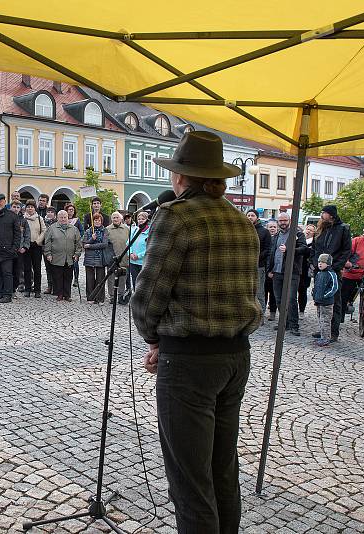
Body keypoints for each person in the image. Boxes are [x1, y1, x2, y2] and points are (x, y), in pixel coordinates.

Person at [132, 131, 260, 533]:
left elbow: (148, 294)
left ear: (183, 178)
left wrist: (155, 339)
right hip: (235, 358)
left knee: (190, 481)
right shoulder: (241, 221)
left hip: (189, 365)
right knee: (222, 468)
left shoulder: (176, 216)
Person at [311, 205, 352, 342]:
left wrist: (335, 266)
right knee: (319, 299)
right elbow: (315, 247)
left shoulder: (342, 229)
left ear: (331, 215)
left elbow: (346, 250)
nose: (322, 215)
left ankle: (333, 332)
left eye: (324, 213)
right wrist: (314, 262)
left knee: (334, 301)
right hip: (319, 269)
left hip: (333, 270)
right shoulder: (321, 228)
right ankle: (323, 330)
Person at [267, 212, 306, 336]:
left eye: (285, 220)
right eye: (280, 221)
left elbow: (304, 249)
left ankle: (294, 325)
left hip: (292, 271)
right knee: (279, 299)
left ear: (289, 220)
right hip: (277, 271)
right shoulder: (277, 235)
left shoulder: (297, 233)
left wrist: (290, 250)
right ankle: (284, 322)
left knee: (290, 299)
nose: (283, 222)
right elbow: (272, 253)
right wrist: (270, 269)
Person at [43, 209, 82, 302]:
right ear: (57, 218)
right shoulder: (52, 228)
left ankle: (67, 294)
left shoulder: (74, 229)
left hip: (69, 257)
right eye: (61, 217)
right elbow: (47, 242)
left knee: (68, 277)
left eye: (65, 217)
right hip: (57, 257)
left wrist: (77, 254)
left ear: (68, 218)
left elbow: (78, 243)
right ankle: (59, 294)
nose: (63, 219)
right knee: (58, 276)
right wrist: (48, 254)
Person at [246, 209, 271, 319]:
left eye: (252, 215)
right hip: (245, 266)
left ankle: (260, 315)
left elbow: (267, 249)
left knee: (259, 291)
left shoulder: (264, 231)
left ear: (257, 217)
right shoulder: (244, 229)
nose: (250, 217)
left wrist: (256, 258)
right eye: (248, 215)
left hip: (258, 266)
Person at [312, 253, 339, 347]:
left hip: (326, 302)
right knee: (320, 319)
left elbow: (334, 287)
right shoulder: (319, 273)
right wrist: (314, 294)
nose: (320, 264)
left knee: (325, 320)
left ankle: (326, 338)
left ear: (328, 263)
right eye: (319, 262)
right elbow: (316, 286)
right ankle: (322, 335)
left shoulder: (331, 274)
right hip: (319, 301)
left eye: (323, 262)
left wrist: (325, 295)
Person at [82, 213, 109, 304]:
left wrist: (91, 245)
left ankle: (100, 298)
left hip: (100, 257)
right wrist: (91, 239)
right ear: (93, 222)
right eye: (95, 220)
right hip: (89, 257)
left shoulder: (105, 231)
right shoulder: (88, 231)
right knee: (89, 278)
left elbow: (104, 244)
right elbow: (84, 245)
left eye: (99, 220)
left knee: (100, 279)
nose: (97, 222)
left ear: (101, 221)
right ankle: (91, 297)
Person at [106, 211, 131, 304]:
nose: (115, 219)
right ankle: (112, 296)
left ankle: (120, 295)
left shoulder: (127, 229)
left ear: (121, 218)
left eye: (117, 217)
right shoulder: (107, 229)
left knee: (122, 277)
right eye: (113, 218)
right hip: (112, 257)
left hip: (124, 257)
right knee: (111, 277)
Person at [22, 199, 46, 298]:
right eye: (28, 207)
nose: (30, 208)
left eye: (32, 207)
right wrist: (24, 243)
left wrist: (38, 241)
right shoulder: (23, 219)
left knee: (37, 269)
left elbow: (44, 231)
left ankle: (37, 290)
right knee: (27, 269)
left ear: (34, 208)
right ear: (26, 208)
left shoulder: (39, 218)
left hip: (36, 246)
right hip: (26, 247)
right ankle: (27, 289)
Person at [10, 200, 31, 294]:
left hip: (19, 249)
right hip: (8, 249)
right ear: (10, 207)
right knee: (7, 270)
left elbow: (27, 235)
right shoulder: (6, 218)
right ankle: (7, 289)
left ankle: (14, 288)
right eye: (14, 207)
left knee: (17, 270)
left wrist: (25, 247)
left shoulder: (23, 220)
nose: (16, 209)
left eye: (18, 207)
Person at [298, 223, 316, 318]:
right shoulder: (299, 239)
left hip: (305, 270)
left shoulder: (314, 243)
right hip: (296, 268)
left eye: (311, 230)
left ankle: (301, 310)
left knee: (302, 290)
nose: (308, 231)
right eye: (307, 229)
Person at [128, 211, 150, 290]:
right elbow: (128, 243)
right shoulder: (134, 230)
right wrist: (130, 253)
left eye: (143, 219)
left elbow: (150, 247)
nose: (140, 220)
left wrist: (139, 255)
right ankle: (135, 299)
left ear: (147, 220)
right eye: (139, 219)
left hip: (143, 262)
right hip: (133, 262)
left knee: (143, 282)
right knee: (135, 281)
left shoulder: (150, 232)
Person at [65, 203, 84, 287]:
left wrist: (78, 237)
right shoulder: (63, 219)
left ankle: (76, 279)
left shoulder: (77, 220)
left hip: (74, 244)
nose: (70, 211)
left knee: (75, 262)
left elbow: (82, 230)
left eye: (72, 210)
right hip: (64, 244)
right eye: (69, 210)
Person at [264, 219, 279, 320]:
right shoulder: (265, 238)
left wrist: (272, 270)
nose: (272, 229)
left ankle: (273, 312)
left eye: (274, 227)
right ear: (267, 228)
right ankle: (262, 311)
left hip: (274, 270)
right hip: (263, 269)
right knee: (263, 292)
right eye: (270, 227)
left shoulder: (279, 238)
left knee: (273, 293)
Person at [42, 206, 57, 294]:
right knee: (48, 268)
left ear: (54, 214)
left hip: (56, 248)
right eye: (48, 212)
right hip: (46, 248)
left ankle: (56, 286)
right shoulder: (43, 222)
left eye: (52, 212)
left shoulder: (58, 222)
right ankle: (49, 286)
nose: (50, 213)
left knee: (55, 267)